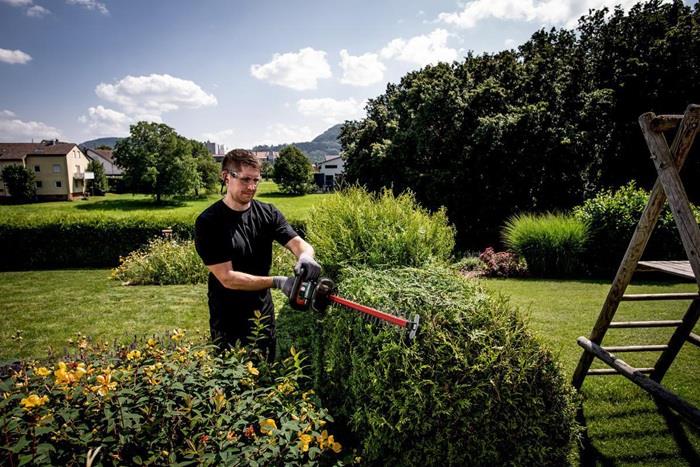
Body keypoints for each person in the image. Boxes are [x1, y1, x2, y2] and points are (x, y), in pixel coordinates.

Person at [194, 149, 321, 358]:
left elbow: (298, 243)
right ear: (226, 177)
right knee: (232, 374)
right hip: (228, 320)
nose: (251, 187)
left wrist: (305, 256)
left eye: (256, 180)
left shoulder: (268, 213)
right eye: (245, 180)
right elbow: (227, 278)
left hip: (263, 314)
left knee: (266, 370)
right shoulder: (209, 222)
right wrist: (277, 282)